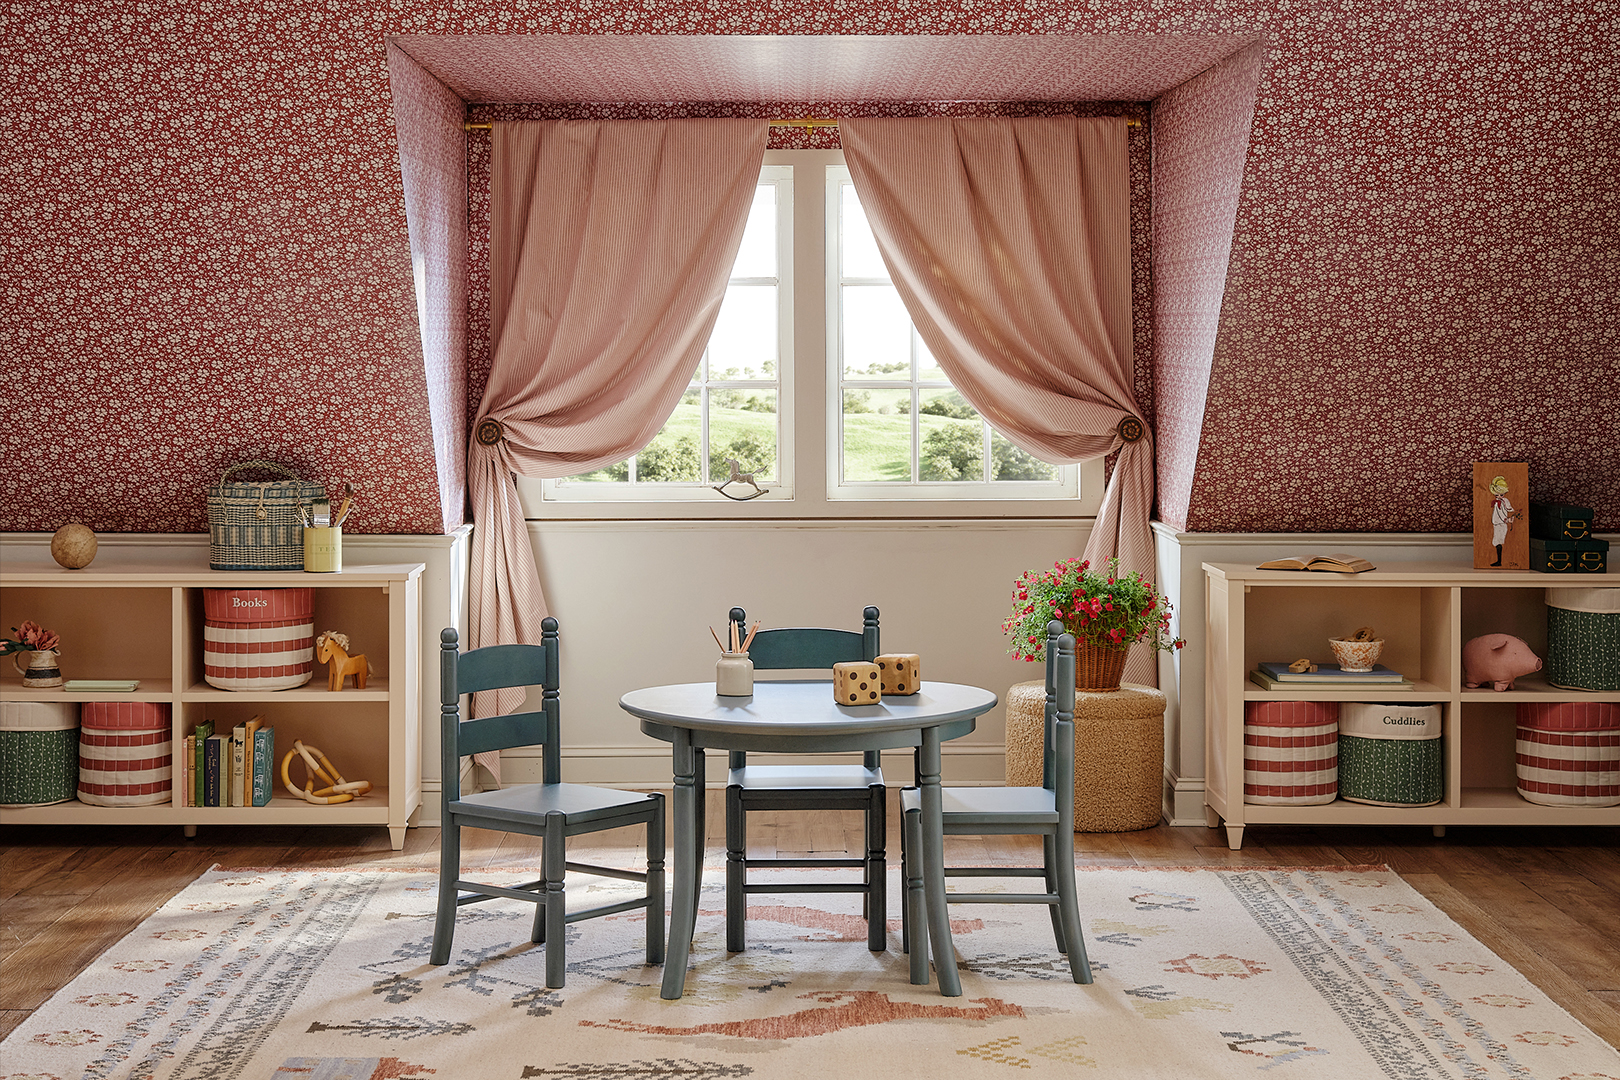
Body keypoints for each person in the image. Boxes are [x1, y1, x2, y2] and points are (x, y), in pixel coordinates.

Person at [1489, 474, 1519, 566]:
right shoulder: (1499, 502)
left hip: (1500, 524)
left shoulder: (1503, 502)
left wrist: (1507, 520)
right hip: (1498, 524)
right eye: (1496, 494)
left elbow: (1502, 513)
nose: (1498, 496)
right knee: (1497, 542)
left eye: (1501, 494)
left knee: (1498, 542)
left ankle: (1499, 561)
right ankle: (1499, 561)